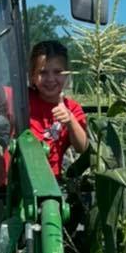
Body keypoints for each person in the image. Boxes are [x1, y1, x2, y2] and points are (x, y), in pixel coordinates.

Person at [27, 41, 88, 177]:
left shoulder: (72, 108)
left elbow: (82, 147)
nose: (50, 79)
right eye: (43, 72)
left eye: (57, 72)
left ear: (67, 75)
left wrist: (70, 120)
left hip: (50, 183)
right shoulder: (22, 98)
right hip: (14, 182)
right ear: (32, 76)